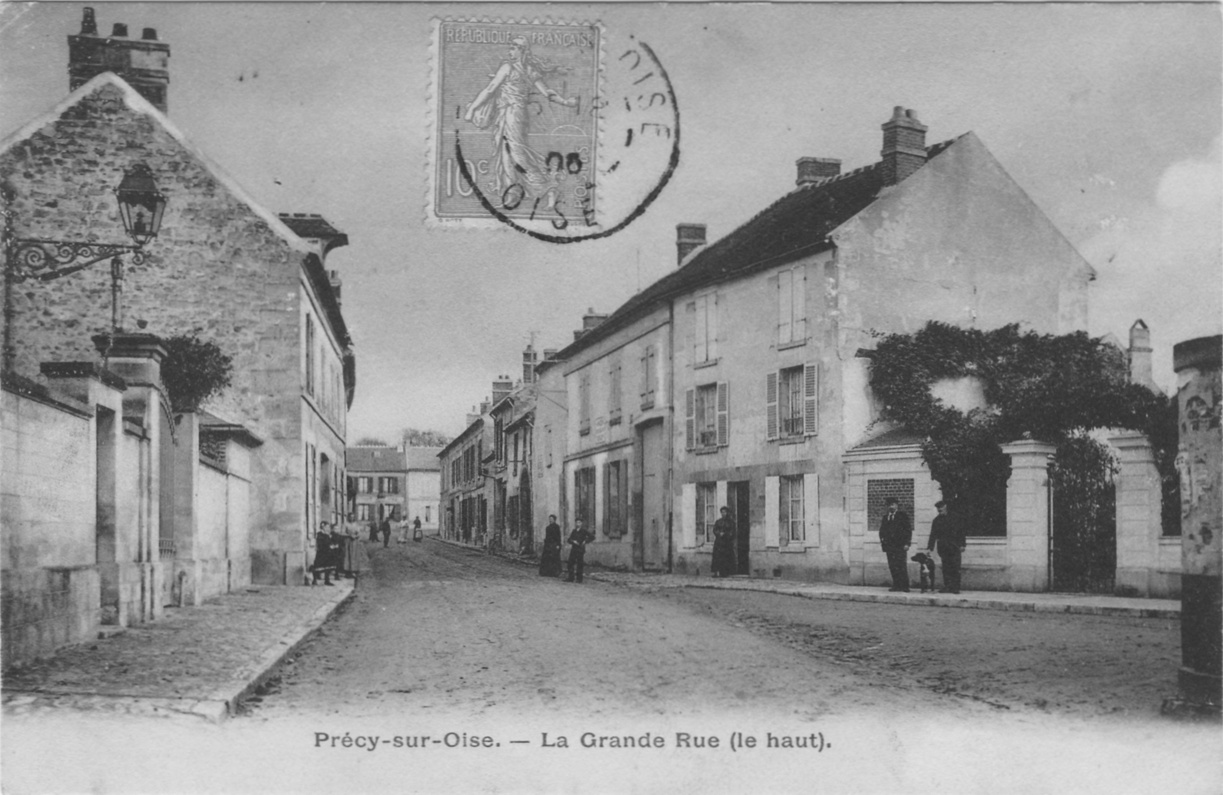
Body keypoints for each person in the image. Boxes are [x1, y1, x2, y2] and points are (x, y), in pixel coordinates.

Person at [464, 36, 579, 206]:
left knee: (517, 154)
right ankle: (513, 192)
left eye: (513, 48)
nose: (510, 51)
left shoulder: (508, 67)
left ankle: (548, 188)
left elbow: (489, 90)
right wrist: (566, 102)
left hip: (512, 113)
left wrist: (472, 108)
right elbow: (547, 92)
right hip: (512, 113)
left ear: (522, 50)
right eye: (510, 48)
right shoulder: (530, 70)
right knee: (506, 153)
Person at [926, 500, 967, 594]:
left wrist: (962, 544)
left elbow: (961, 532)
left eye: (941, 508)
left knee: (955, 567)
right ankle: (947, 586)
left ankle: (955, 587)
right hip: (943, 548)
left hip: (954, 546)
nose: (940, 510)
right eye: (938, 509)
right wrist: (930, 547)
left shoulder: (955, 518)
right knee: (946, 568)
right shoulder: (936, 520)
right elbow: (933, 535)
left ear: (945, 507)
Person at [879, 497, 912, 592]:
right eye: (889, 505)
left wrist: (907, 543)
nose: (891, 507)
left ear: (897, 505)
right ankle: (896, 585)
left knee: (901, 565)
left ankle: (905, 586)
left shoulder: (902, 516)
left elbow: (908, 530)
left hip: (900, 545)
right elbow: (882, 532)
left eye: (893, 504)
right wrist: (883, 543)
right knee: (893, 566)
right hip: (890, 546)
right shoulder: (885, 518)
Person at [564, 519, 594, 583]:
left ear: (581, 523)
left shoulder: (584, 531)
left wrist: (585, 541)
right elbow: (569, 540)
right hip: (574, 549)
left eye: (579, 522)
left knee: (580, 564)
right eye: (577, 522)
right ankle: (571, 577)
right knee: (570, 563)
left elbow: (592, 537)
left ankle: (579, 579)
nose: (578, 524)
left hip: (580, 549)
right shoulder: (574, 531)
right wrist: (573, 541)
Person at [711, 506, 736, 577]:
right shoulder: (718, 521)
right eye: (722, 512)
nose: (723, 514)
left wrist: (725, 534)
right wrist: (719, 533)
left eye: (724, 512)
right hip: (719, 543)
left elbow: (732, 532)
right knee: (717, 558)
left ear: (727, 513)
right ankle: (717, 572)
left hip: (726, 543)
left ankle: (726, 572)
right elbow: (714, 530)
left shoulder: (731, 522)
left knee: (726, 558)